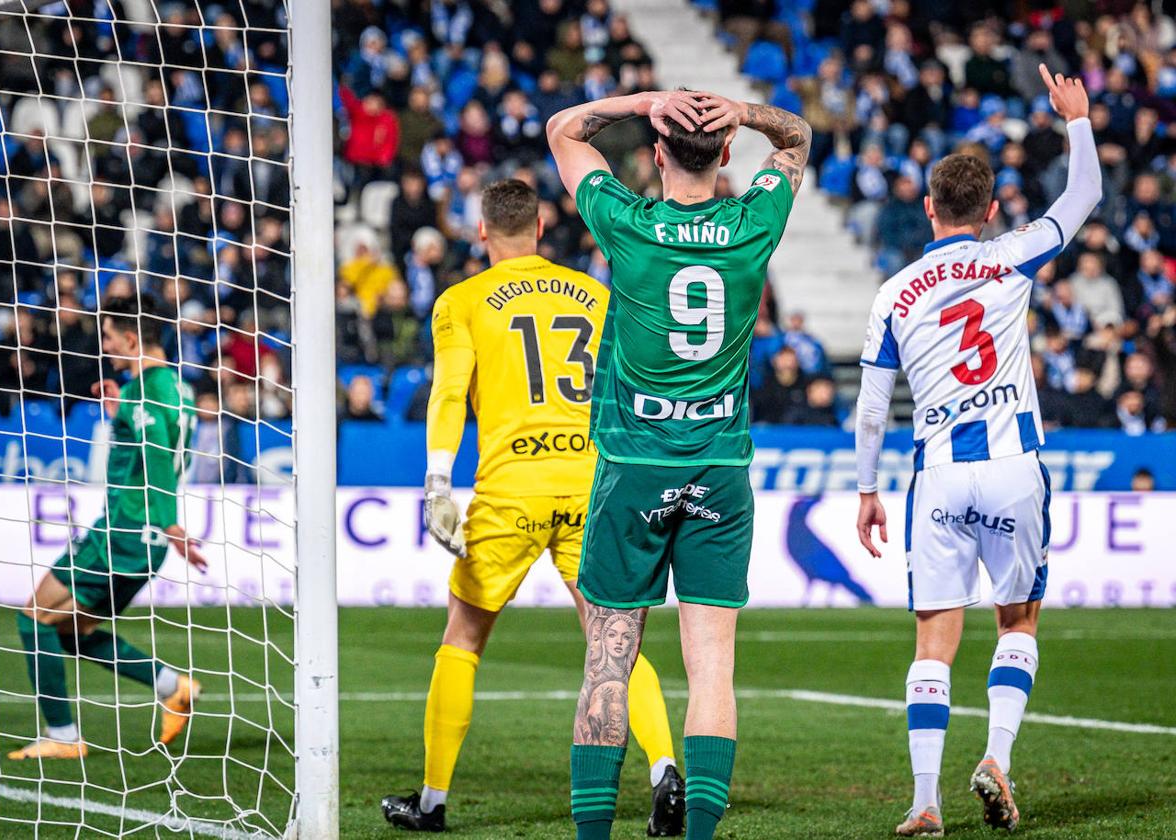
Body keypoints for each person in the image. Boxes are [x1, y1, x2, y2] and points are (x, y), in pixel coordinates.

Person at [380, 179, 681, 834]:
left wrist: (437, 486)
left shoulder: (462, 300)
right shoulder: (597, 295)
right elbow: (635, 391)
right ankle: (664, 769)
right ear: (542, 227)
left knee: (462, 639)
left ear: (481, 232)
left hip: (511, 487)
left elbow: (449, 394)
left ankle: (431, 802)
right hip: (592, 483)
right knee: (612, 640)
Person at [547, 87, 808, 840]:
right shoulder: (753, 222)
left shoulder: (628, 225)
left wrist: (644, 98)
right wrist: (744, 111)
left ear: (656, 153)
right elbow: (798, 140)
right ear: (727, 155)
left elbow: (565, 130)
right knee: (713, 668)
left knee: (608, 659)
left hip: (634, 466)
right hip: (720, 469)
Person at [854, 66, 1100, 836]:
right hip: (1013, 466)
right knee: (1017, 620)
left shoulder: (894, 292)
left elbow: (870, 408)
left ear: (928, 208)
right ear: (991, 211)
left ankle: (925, 801)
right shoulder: (1009, 255)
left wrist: (867, 491)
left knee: (934, 637)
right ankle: (996, 756)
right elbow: (1082, 200)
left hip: (939, 477)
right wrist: (1079, 121)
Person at [9, 295, 204, 760]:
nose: (106, 346)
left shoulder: (143, 391)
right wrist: (123, 414)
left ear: (132, 338)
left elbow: (157, 453)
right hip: (144, 540)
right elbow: (161, 440)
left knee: (32, 616)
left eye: (109, 337)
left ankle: (63, 736)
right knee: (69, 630)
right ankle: (171, 685)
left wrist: (170, 521)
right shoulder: (177, 387)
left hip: (123, 531)